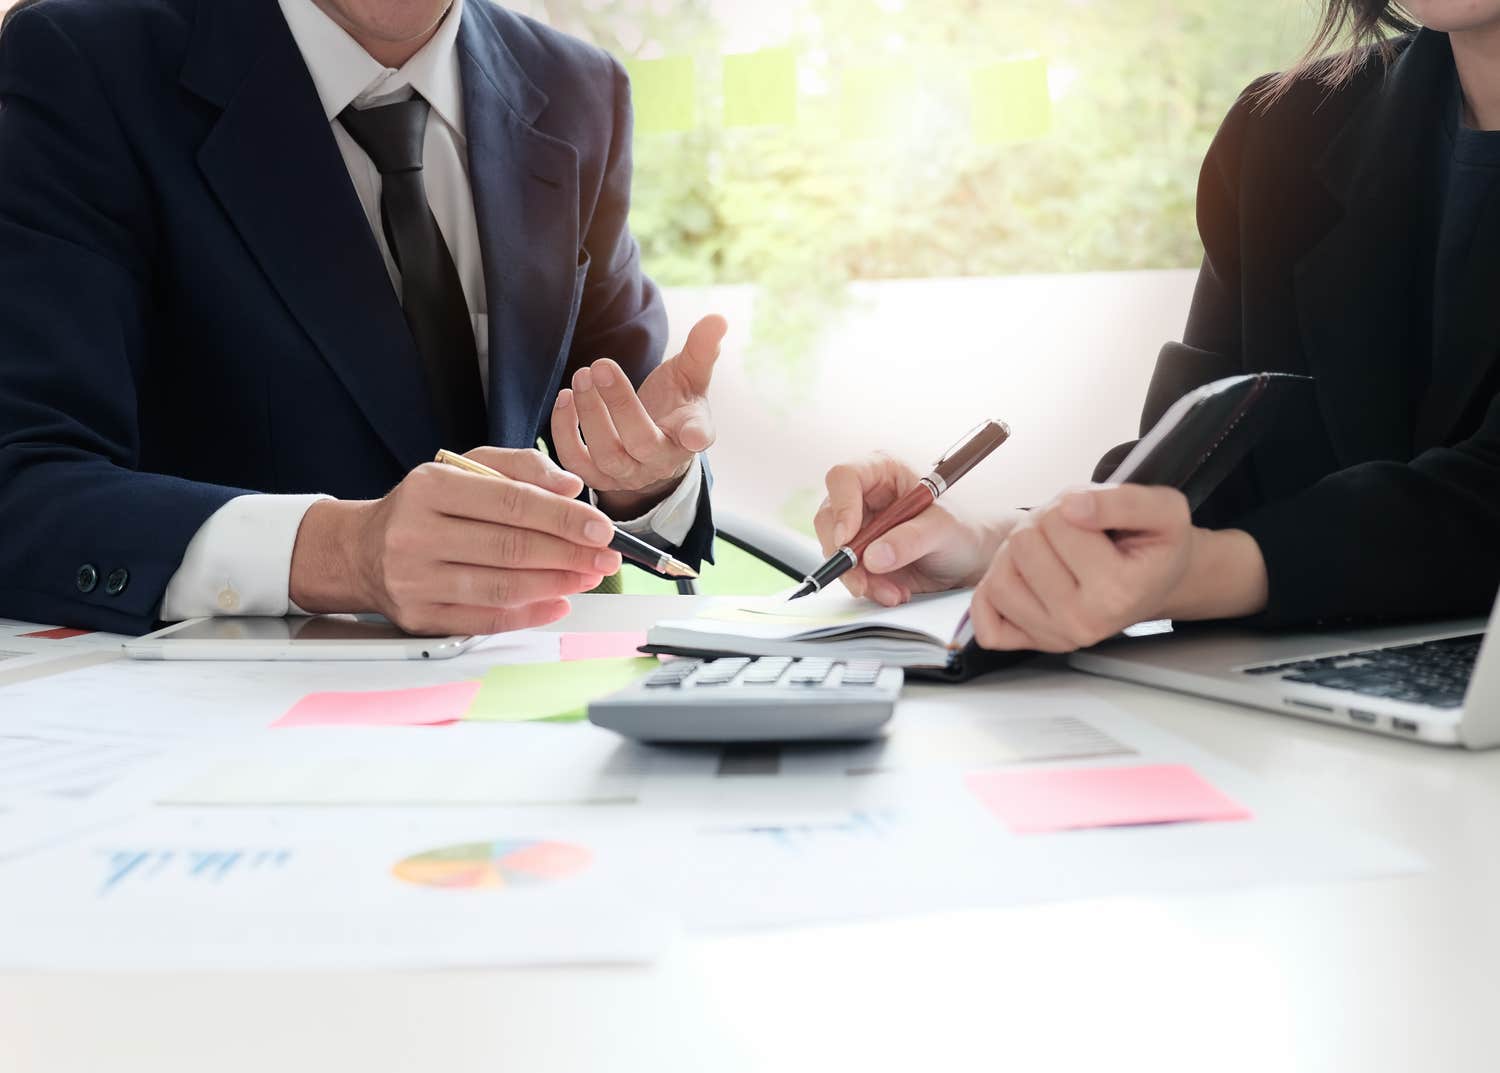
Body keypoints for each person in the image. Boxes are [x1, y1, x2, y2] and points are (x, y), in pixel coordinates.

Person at [0, 0, 722, 637]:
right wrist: (342, 551)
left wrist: (646, 480)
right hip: (218, 728)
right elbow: (24, 480)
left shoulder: (577, 88)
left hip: (511, 702)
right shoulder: (84, 62)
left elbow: (612, 430)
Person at [816, 1, 1500, 653]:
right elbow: (1199, 469)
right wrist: (999, 544)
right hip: (1294, 738)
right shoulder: (1286, 131)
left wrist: (1202, 572)